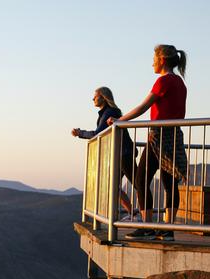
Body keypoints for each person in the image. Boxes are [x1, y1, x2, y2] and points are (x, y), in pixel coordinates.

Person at [107, 45, 188, 240]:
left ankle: (146, 226)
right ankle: (168, 230)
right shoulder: (180, 83)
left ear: (162, 59)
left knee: (142, 179)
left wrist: (120, 121)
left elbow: (143, 107)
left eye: (154, 58)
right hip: (174, 136)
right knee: (170, 183)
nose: (152, 62)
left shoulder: (163, 82)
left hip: (158, 137)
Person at [72, 87, 138, 219]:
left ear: (103, 97)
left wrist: (80, 133)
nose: (93, 99)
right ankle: (134, 213)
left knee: (138, 184)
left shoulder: (110, 112)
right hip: (120, 153)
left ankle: (139, 216)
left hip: (124, 153)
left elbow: (98, 133)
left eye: (95, 96)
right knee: (112, 186)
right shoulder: (106, 112)